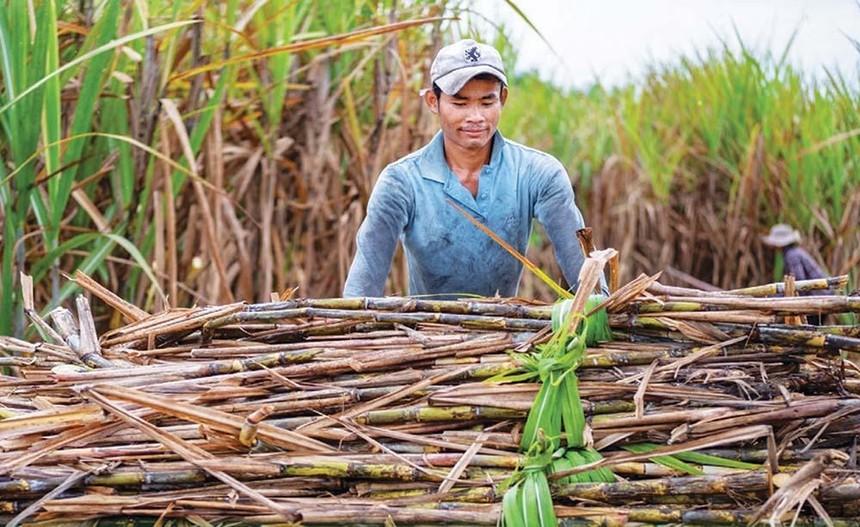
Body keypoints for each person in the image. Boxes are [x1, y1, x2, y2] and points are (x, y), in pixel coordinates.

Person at [343, 38, 596, 298]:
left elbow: (585, 275)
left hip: (506, 333)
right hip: (425, 332)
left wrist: (599, 310)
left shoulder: (538, 174)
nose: (475, 117)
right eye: (460, 103)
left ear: (503, 98)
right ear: (433, 101)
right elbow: (361, 288)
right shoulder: (402, 182)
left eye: (487, 102)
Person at [761, 223, 831, 324]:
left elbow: (799, 283)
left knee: (810, 331)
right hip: (823, 296)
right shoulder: (795, 252)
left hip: (818, 298)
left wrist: (775, 300)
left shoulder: (792, 255)